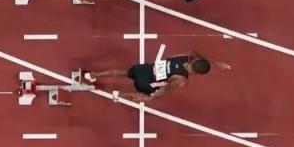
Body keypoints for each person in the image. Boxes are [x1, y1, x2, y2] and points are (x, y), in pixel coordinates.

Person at [84, 50, 231, 103]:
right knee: (146, 96)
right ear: (198, 74)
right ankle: (120, 95)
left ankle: (93, 74)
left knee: (122, 72)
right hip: (146, 82)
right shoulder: (181, 80)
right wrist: (152, 97)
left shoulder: (186, 56)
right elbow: (165, 89)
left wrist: (216, 62)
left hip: (143, 69)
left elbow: (197, 53)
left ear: (195, 61)